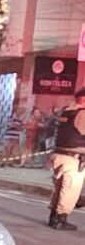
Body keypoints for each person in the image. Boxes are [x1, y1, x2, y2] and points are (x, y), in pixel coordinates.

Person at [48, 88, 85, 230]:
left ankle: (53, 217)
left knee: (59, 189)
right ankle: (60, 219)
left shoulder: (66, 111)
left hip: (59, 154)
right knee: (70, 189)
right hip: (73, 158)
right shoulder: (82, 114)